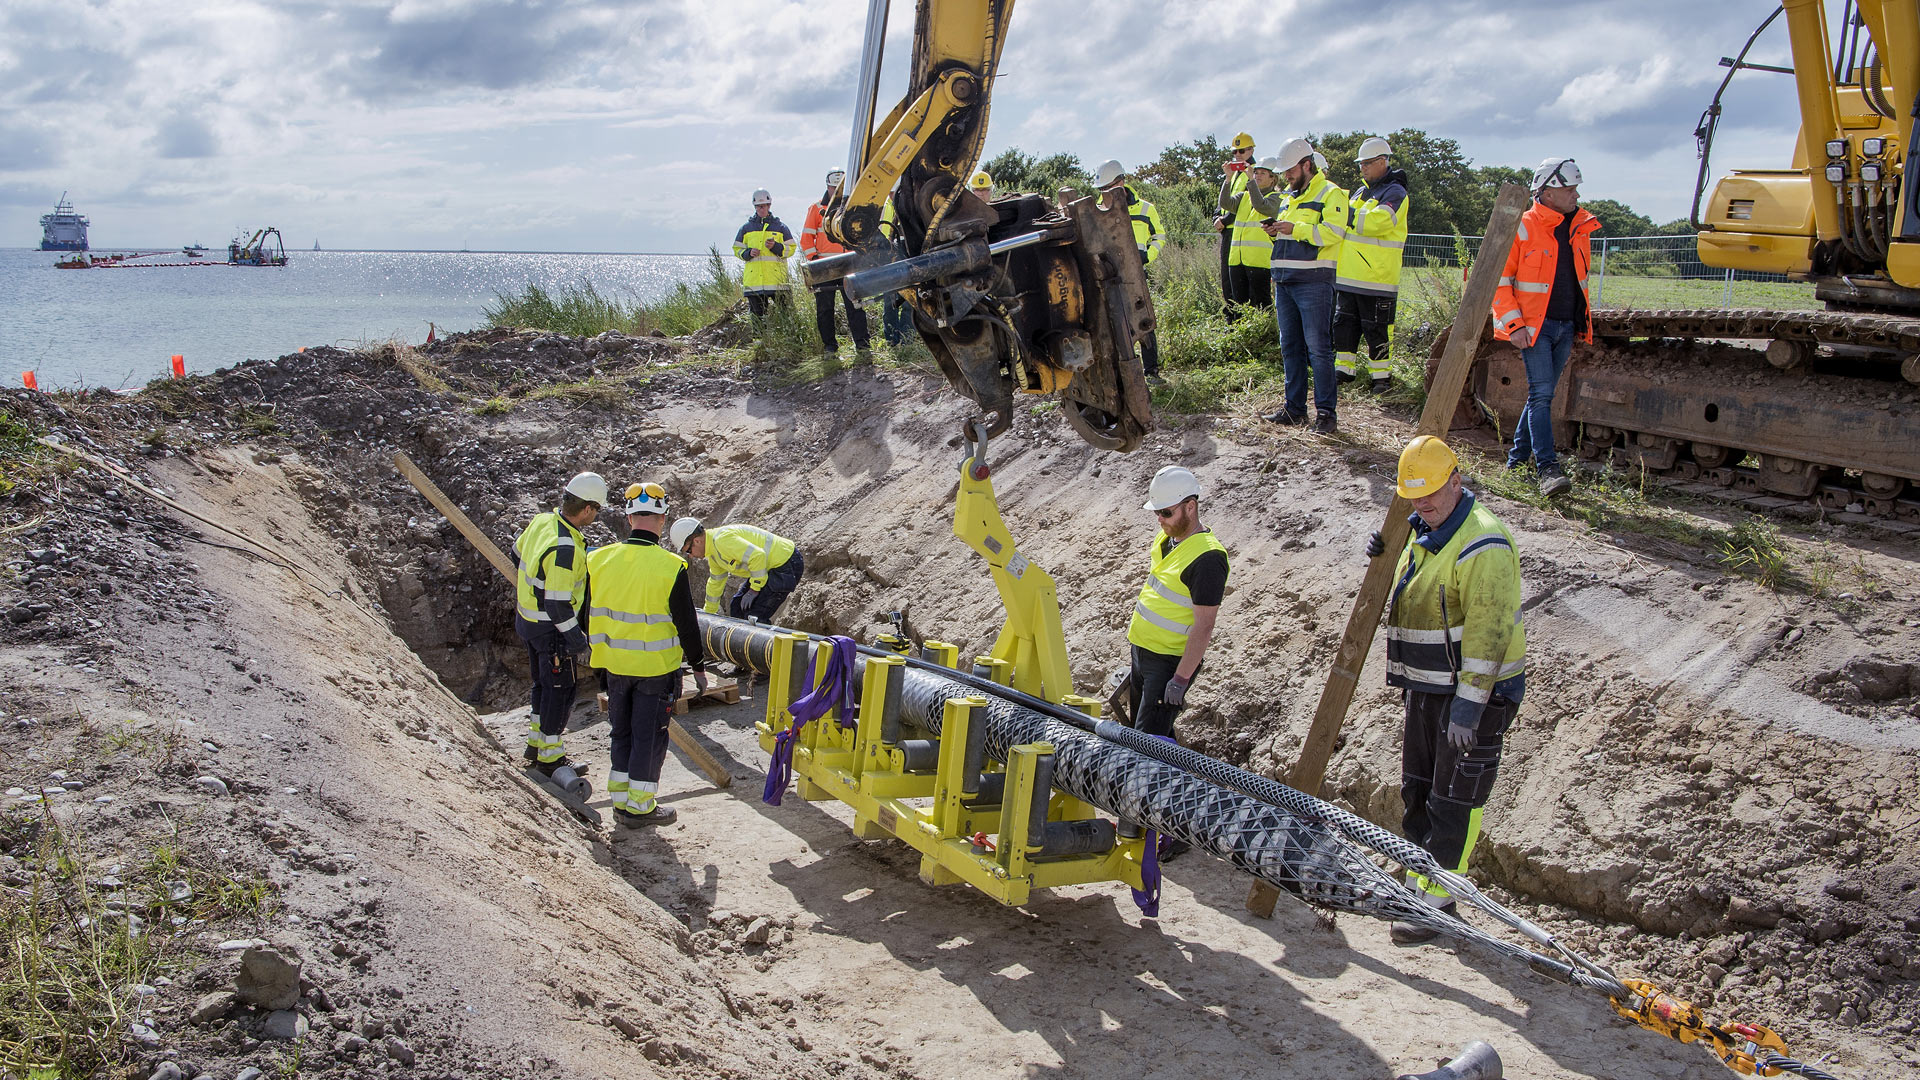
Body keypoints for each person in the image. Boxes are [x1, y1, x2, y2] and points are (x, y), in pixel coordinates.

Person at [1364, 436, 1526, 944]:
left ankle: (1439, 898)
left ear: (1457, 480)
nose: (1422, 504)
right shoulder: (1429, 529)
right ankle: (1419, 878)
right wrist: (1391, 550)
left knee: (1456, 798)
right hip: (1430, 687)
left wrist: (1469, 705)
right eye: (1413, 497)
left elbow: (1490, 631)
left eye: (1431, 493)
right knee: (1419, 788)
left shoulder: (1484, 543)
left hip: (1473, 696)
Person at [585, 483, 707, 827]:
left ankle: (621, 802)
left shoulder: (599, 558)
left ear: (628, 517)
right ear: (663, 519)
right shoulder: (671, 566)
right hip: (656, 671)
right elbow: (687, 624)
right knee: (649, 737)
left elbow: (585, 613)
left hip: (613, 667)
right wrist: (698, 667)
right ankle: (639, 807)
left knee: (621, 732)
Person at [1125, 465, 1230, 861]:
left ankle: (1177, 827)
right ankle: (1155, 816)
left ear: (1191, 506)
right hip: (1144, 655)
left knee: (1149, 746)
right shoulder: (1169, 540)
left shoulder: (1207, 559)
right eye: (1157, 513)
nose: (1160, 519)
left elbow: (1203, 626)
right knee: (1150, 739)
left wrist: (1180, 680)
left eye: (1166, 513)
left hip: (1169, 665)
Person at [1493, 157, 1599, 498]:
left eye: (1575, 189)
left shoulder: (1580, 226)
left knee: (1541, 395)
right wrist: (1514, 325)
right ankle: (1548, 469)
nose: (1575, 195)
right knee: (1542, 395)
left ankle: (1515, 461)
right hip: (1534, 328)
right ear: (1548, 192)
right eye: (1568, 189)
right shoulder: (1523, 226)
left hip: (1566, 326)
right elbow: (1500, 280)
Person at [510, 472, 606, 775]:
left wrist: (535, 585)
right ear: (588, 508)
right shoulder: (565, 548)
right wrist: (578, 640)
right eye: (597, 511)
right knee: (560, 690)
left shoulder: (542, 522)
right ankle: (550, 758)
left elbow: (515, 554)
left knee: (542, 684)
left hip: (527, 621)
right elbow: (557, 604)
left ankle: (535, 743)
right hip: (550, 629)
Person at [1252, 139, 1348, 433]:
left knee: (1318, 349)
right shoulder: (1288, 198)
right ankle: (1294, 409)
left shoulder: (1332, 194)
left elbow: (1334, 233)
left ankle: (1326, 415)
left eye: (1290, 170)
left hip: (1314, 283)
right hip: (1285, 282)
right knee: (1290, 347)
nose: (1286, 176)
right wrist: (1274, 232)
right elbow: (1288, 239)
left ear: (1307, 164)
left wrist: (1296, 228)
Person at [1333, 136, 1410, 393]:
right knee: (1344, 326)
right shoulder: (1361, 190)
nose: (1361, 168)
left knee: (1376, 330)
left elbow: (1378, 223)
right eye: (1360, 164)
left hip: (1377, 277)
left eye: (1366, 163)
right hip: (1348, 275)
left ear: (1381, 162)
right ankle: (1344, 370)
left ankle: (1381, 379)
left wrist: (1346, 213)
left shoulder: (1396, 192)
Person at [1095, 159, 1166, 380]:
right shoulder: (1096, 211)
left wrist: (1148, 255)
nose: (1105, 193)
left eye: (1108, 188)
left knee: (1143, 319)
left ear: (1121, 183)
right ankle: (1122, 371)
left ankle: (1151, 370)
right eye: (1102, 189)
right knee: (1113, 321)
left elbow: (1159, 235)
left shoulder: (1146, 209)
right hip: (1110, 275)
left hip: (1137, 273)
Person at [669, 517, 805, 624]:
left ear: (697, 541)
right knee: (737, 608)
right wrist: (708, 613)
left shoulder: (722, 541)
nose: (691, 556)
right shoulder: (714, 555)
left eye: (688, 551)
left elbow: (757, 556)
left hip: (785, 563)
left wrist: (754, 589)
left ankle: (760, 654)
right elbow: (716, 583)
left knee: (754, 616)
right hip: (768, 568)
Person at [800, 170, 871, 353]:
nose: (836, 192)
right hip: (824, 267)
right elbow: (806, 239)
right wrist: (815, 261)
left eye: (839, 188)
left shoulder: (853, 208)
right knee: (824, 309)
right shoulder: (816, 209)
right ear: (828, 188)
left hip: (849, 264)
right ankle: (830, 347)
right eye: (833, 188)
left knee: (855, 305)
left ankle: (862, 345)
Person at [1218, 141, 1275, 320]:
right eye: (1256, 172)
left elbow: (1261, 205)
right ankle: (1241, 340)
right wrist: (1228, 179)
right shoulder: (1244, 196)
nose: (1257, 176)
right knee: (1238, 305)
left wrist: (1250, 181)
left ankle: (1264, 340)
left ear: (1273, 178)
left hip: (1259, 262)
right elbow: (1225, 203)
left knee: (1261, 305)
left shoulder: (1277, 198)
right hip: (1238, 259)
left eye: (1262, 174)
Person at [733, 189, 795, 317]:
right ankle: (759, 338)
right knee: (758, 321)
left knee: (787, 318)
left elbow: (791, 249)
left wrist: (776, 247)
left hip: (778, 283)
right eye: (759, 206)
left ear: (769, 206)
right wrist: (748, 253)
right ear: (755, 207)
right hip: (754, 283)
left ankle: (787, 338)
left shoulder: (781, 228)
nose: (762, 209)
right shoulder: (746, 229)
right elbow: (737, 249)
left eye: (764, 206)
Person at [1214, 132, 1257, 316]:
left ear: (1251, 150)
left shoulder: (1253, 172)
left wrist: (1224, 220)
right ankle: (1232, 320)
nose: (1237, 155)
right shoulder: (1233, 174)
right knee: (1227, 281)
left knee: (1241, 283)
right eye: (1234, 152)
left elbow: (1243, 202)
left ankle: (1243, 322)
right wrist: (1216, 217)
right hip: (1227, 233)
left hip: (1241, 232)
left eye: (1241, 151)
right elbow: (1222, 202)